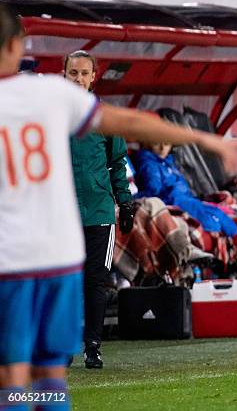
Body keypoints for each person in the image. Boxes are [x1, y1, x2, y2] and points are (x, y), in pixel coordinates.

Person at [0, 5, 237, 410]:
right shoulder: (52, 95)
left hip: (13, 260)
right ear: (16, 45)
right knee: (50, 376)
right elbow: (130, 123)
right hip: (58, 258)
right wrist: (206, 140)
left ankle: (80, 353)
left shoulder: (51, 93)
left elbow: (117, 156)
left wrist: (123, 200)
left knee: (12, 377)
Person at [64, 50, 133, 369]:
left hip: (99, 213)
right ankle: (61, 346)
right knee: (63, 282)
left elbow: (117, 162)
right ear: (64, 75)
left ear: (94, 76)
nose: (78, 78)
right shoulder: (51, 116)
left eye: (84, 73)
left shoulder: (105, 116)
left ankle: (93, 347)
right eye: (73, 73)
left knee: (96, 281)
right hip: (60, 213)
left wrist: (125, 202)